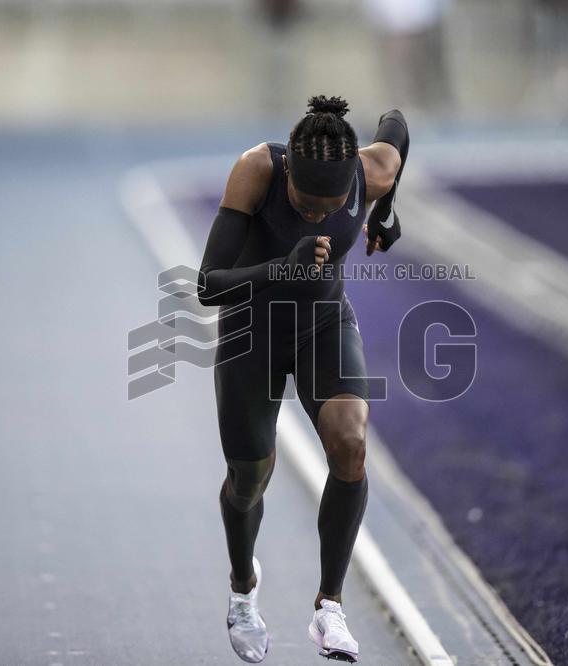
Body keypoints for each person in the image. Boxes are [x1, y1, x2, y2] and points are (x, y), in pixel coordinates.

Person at [197, 95, 408, 662]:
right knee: (249, 480)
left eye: (331, 207)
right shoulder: (256, 170)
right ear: (288, 169)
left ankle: (329, 608)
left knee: (350, 442)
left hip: (322, 323)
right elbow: (207, 285)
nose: (316, 216)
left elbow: (395, 124)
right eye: (304, 206)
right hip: (250, 330)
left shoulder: (372, 172)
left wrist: (385, 213)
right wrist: (281, 267)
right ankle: (244, 589)